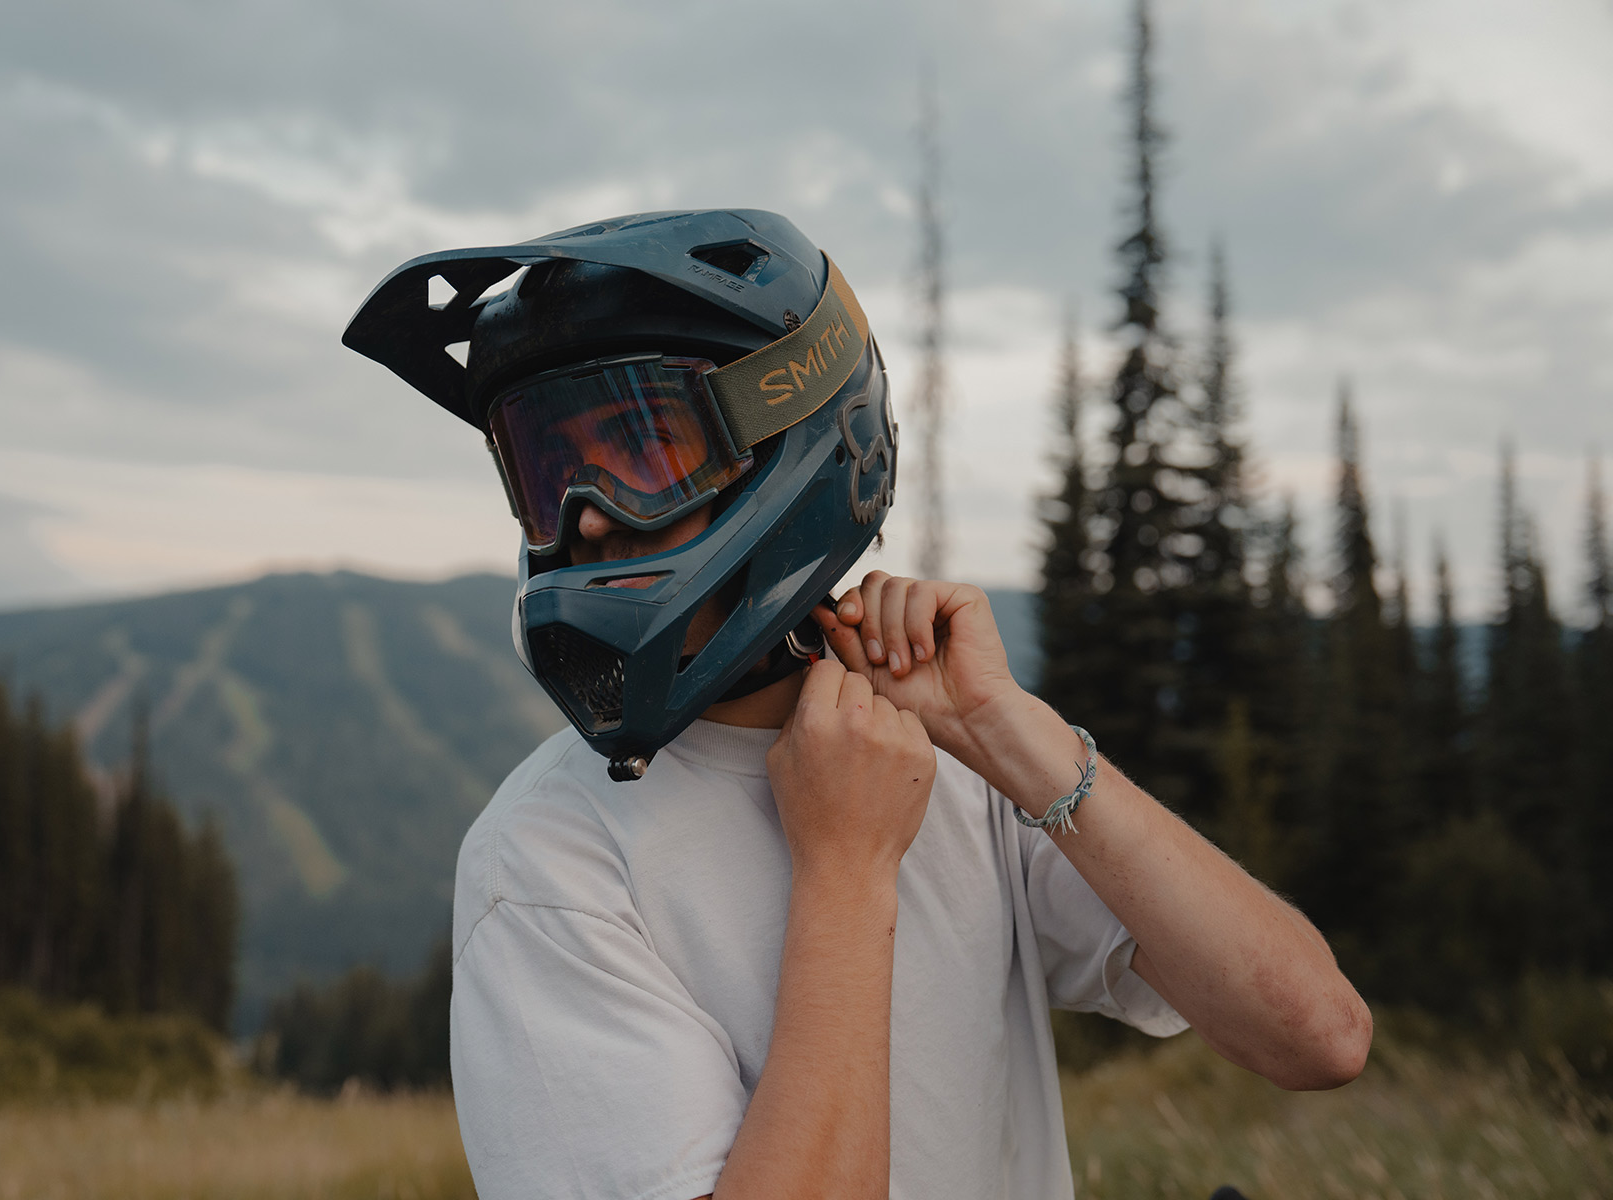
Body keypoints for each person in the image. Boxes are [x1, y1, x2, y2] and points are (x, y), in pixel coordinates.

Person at [344, 209, 1371, 1199]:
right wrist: (845, 870)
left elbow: (1316, 1035)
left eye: (642, 453)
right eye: (548, 468)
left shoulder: (960, 760)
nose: (589, 519)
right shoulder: (547, 863)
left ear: (792, 429)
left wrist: (1011, 735)